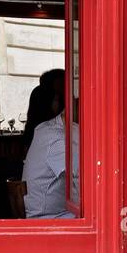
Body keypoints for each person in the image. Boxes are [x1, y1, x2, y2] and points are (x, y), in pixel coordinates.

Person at [21, 82, 74, 219]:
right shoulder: (53, 137)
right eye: (57, 100)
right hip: (49, 217)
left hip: (47, 212)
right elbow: (79, 176)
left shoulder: (42, 129)